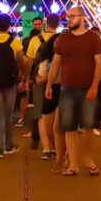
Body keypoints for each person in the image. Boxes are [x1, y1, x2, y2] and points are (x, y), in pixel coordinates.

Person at [46, 6, 101, 176]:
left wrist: (94, 86)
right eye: (68, 16)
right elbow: (55, 63)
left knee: (88, 127)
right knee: (68, 127)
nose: (69, 19)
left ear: (83, 18)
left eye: (73, 16)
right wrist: (49, 84)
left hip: (87, 88)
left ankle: (88, 159)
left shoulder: (93, 39)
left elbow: (99, 64)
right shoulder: (63, 38)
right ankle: (73, 163)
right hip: (67, 88)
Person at [0, 13, 24, 158]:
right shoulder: (14, 42)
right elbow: (21, 61)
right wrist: (24, 78)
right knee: (8, 115)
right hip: (10, 82)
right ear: (9, 25)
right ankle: (9, 144)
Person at [26, 13, 58, 158]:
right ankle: (56, 146)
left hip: (40, 79)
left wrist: (27, 78)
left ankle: (46, 148)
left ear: (45, 23)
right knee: (56, 114)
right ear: (58, 24)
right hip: (58, 79)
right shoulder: (61, 39)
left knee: (40, 113)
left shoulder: (35, 40)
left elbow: (30, 61)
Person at [37, 32, 64, 167]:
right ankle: (50, 146)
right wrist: (47, 77)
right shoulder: (46, 61)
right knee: (48, 123)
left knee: (59, 124)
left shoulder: (69, 59)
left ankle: (59, 151)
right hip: (50, 90)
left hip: (64, 91)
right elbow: (39, 78)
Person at [17, 17, 43, 128]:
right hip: (30, 71)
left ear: (42, 25)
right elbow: (24, 57)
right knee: (26, 97)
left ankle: (36, 123)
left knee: (36, 97)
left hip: (39, 72)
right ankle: (23, 119)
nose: (37, 26)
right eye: (35, 24)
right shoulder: (26, 40)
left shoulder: (45, 39)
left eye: (39, 24)